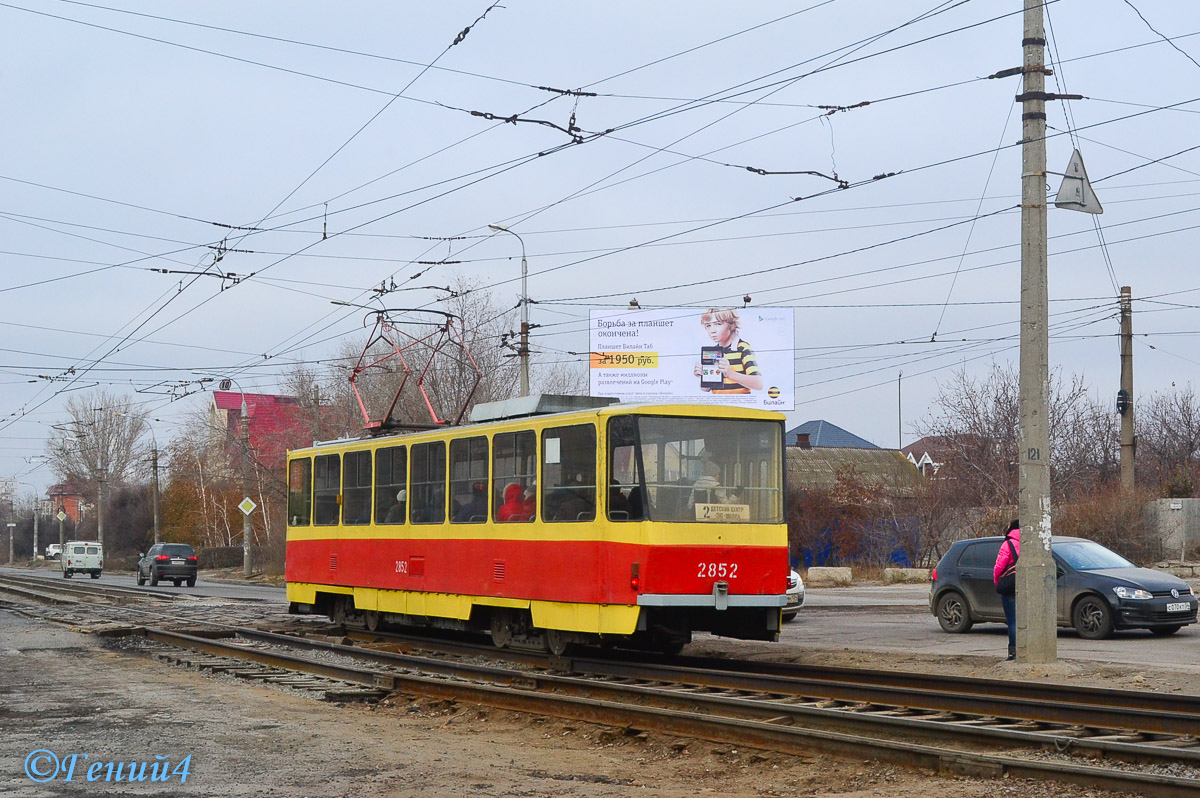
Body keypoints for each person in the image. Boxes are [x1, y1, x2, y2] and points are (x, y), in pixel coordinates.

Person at [691, 308, 763, 394]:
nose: (712, 331)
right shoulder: (712, 352)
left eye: (718, 324)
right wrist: (703, 376)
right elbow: (706, 388)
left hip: (739, 405)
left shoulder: (742, 348)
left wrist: (730, 374)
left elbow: (759, 384)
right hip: (719, 404)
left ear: (731, 325)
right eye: (708, 326)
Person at [993, 519, 1021, 661]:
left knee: (1013, 621)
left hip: (1010, 586)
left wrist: (998, 581)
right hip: (1027, 585)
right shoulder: (1031, 543)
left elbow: (999, 567)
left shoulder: (1008, 544)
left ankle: (1013, 653)